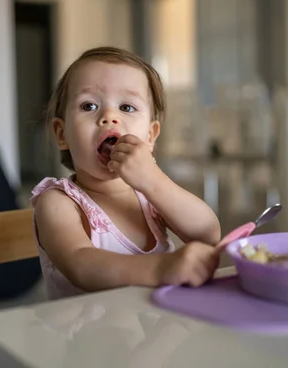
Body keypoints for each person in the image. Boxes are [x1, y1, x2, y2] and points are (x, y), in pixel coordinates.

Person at [31, 46, 221, 300]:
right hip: (82, 335)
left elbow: (208, 234)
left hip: (156, 330)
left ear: (151, 136)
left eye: (127, 107)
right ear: (61, 134)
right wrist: (162, 268)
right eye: (88, 106)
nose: (109, 116)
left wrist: (154, 181)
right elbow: (80, 264)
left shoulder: (151, 193)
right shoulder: (57, 202)